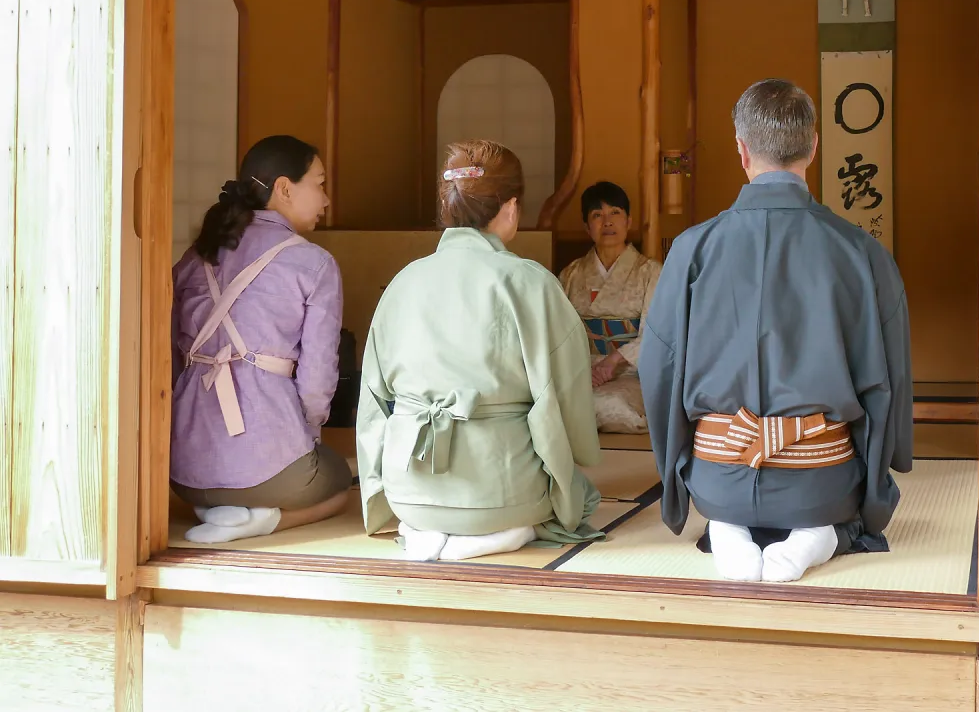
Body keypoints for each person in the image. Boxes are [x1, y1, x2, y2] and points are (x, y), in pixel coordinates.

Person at [638, 79, 913, 583]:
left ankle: (726, 527)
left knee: (721, 500)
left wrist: (677, 473)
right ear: (813, 147)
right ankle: (820, 534)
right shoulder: (859, 251)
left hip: (718, 475)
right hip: (822, 477)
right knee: (842, 507)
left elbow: (657, 369)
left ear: (741, 149)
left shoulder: (692, 248)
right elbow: (888, 379)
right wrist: (880, 476)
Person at [356, 141, 603, 562]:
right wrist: (580, 458)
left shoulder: (403, 281)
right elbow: (569, 394)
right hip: (501, 490)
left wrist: (380, 485)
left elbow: (373, 405)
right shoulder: (530, 281)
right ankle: (496, 534)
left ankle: (430, 530)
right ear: (511, 207)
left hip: (409, 492)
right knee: (584, 498)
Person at [170, 135, 352, 543]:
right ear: (285, 188)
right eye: (320, 184)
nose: (325, 200)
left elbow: (168, 360)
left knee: (234, 476)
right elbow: (318, 378)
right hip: (275, 472)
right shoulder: (313, 263)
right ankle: (265, 520)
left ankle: (217, 507)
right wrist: (309, 437)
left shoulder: (192, 259)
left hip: (182, 475)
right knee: (340, 482)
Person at [557, 181, 662, 390]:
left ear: (628, 221)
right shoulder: (571, 274)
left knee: (614, 407)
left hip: (630, 374)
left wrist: (613, 361)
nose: (607, 222)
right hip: (580, 371)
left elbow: (658, 333)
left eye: (615, 213)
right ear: (587, 227)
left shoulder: (651, 273)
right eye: (597, 215)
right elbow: (557, 333)